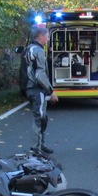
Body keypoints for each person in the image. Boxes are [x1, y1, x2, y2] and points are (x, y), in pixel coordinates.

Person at [24, 24, 58, 154]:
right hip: (37, 89)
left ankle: (40, 144)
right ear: (41, 36)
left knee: (43, 117)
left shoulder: (28, 49)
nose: (48, 39)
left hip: (30, 88)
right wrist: (51, 90)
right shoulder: (38, 51)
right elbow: (39, 74)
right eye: (48, 36)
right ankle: (35, 148)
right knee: (40, 118)